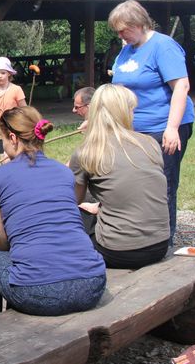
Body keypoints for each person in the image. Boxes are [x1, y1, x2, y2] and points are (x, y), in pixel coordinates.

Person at [0, 106, 106, 322]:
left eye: (2, 139)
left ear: (13, 137)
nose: (3, 145)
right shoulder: (64, 172)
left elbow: (3, 243)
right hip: (92, 285)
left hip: (37, 293)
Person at [108, 0, 195, 244]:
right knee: (136, 182)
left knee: (163, 183)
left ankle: (163, 239)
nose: (120, 35)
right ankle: (140, 234)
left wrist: (172, 128)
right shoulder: (127, 50)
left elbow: (181, 86)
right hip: (134, 130)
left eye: (123, 29)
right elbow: (119, 90)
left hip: (163, 127)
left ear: (139, 24)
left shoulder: (163, 47)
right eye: (118, 31)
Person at [69, 84, 169, 269]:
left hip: (116, 252)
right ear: (123, 112)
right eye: (132, 109)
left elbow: (72, 200)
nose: (133, 114)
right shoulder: (150, 143)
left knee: (71, 214)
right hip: (160, 245)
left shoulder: (87, 152)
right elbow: (136, 187)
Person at [0, 57, 26, 159]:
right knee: (3, 159)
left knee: (14, 158)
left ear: (9, 74)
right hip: (0, 133)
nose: (0, 76)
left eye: (3, 73)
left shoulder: (16, 90)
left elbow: (25, 110)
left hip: (15, 131)